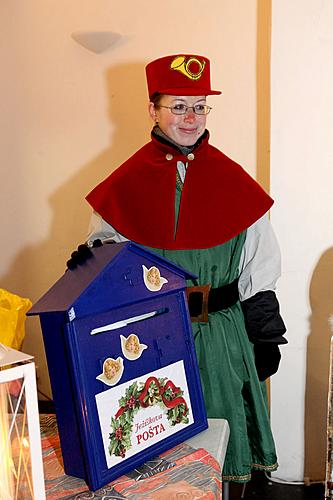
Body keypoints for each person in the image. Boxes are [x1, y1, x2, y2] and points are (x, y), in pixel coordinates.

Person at [69, 53, 287, 483]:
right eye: (179, 106)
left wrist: (264, 334)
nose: (191, 118)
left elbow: (260, 266)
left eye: (200, 106)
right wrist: (87, 264)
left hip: (221, 336)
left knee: (220, 448)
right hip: (150, 336)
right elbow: (108, 266)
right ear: (153, 109)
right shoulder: (123, 185)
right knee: (155, 448)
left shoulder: (235, 181)